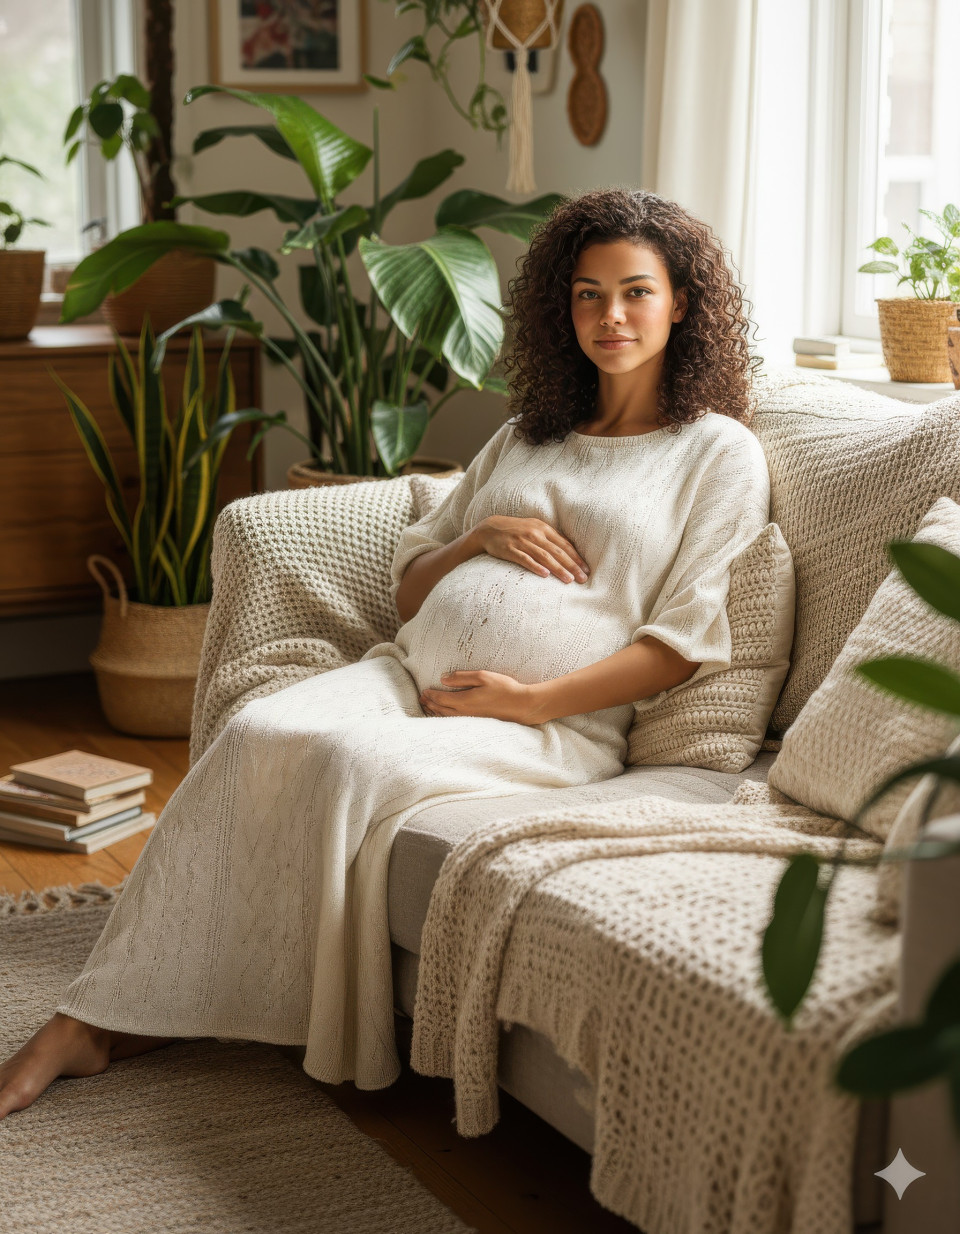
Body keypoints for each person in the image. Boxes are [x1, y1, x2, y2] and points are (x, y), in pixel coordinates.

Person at [0, 187, 771, 1119]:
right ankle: (117, 1004)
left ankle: (117, 1020)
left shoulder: (716, 453)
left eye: (636, 292)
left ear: (682, 302)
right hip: (402, 678)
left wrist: (527, 701)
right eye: (587, 294)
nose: (610, 316)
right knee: (260, 729)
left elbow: (682, 646)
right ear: (560, 307)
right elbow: (409, 586)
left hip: (551, 729)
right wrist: (479, 534)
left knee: (345, 762)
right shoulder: (526, 433)